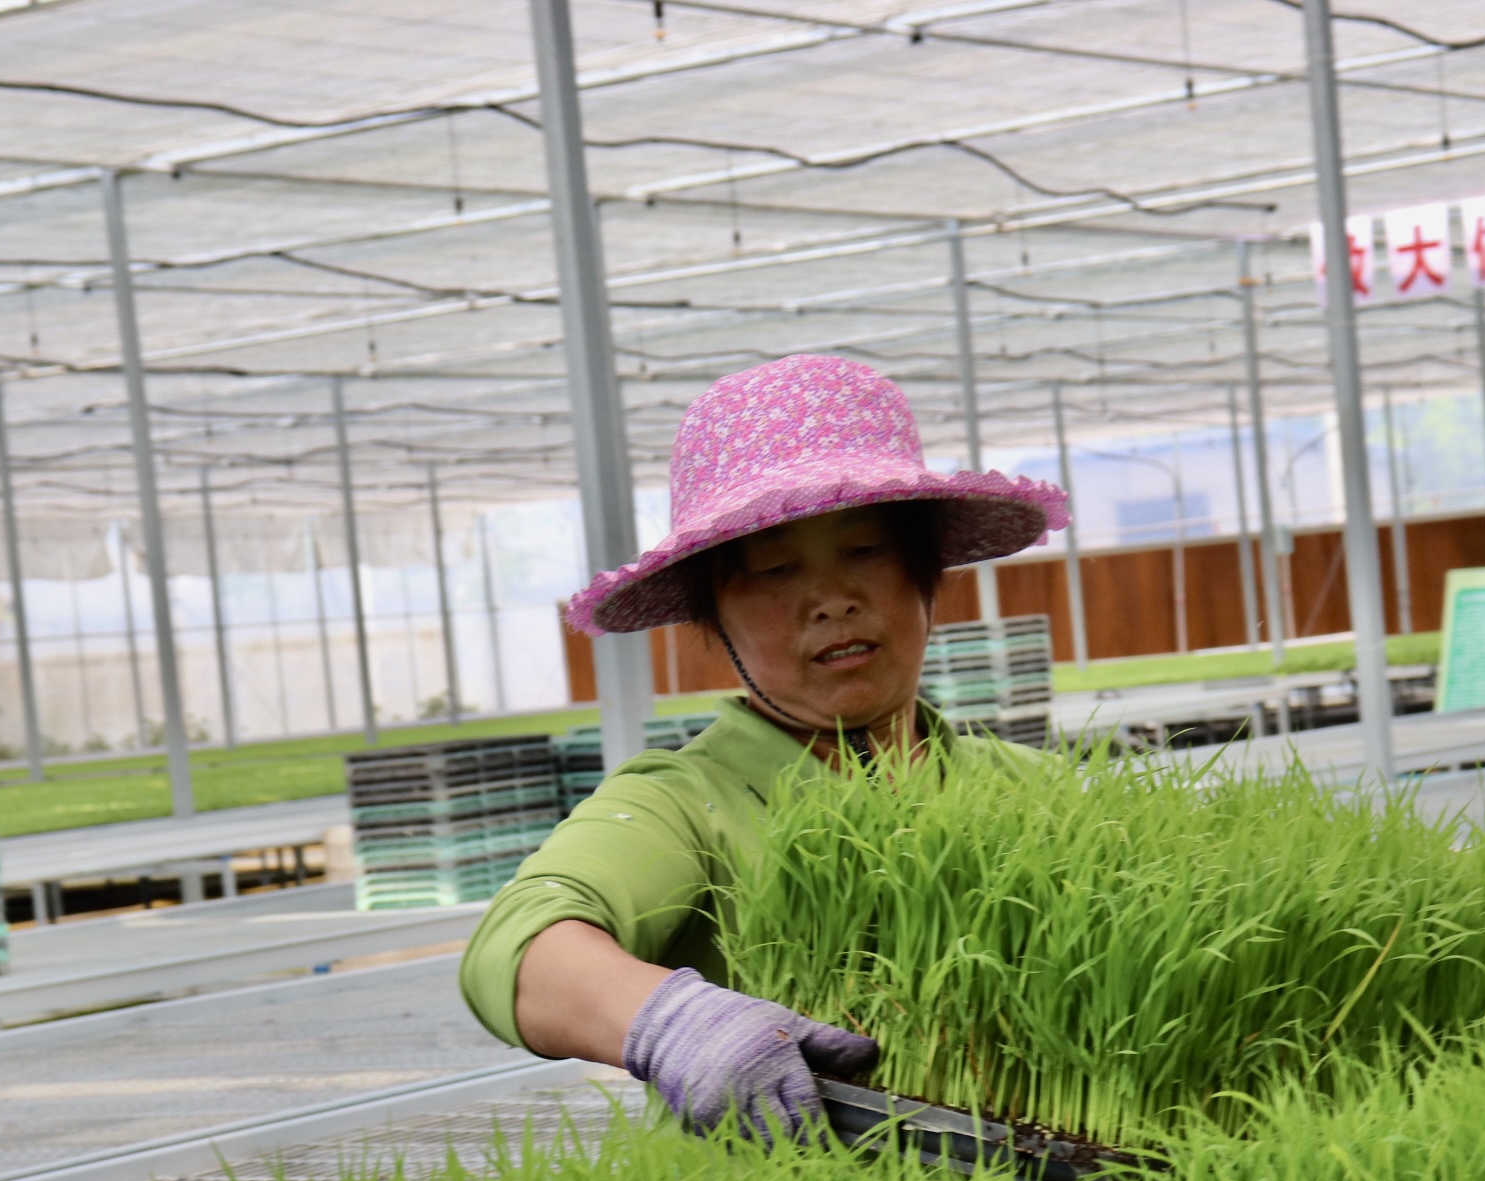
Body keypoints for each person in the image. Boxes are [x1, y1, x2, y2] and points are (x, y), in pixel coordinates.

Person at [458, 354, 1069, 1133]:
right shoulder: (685, 806)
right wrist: (674, 1020)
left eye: (865, 551)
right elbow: (518, 950)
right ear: (717, 614)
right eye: (775, 569)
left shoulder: (1038, 789)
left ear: (925, 572)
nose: (830, 600)